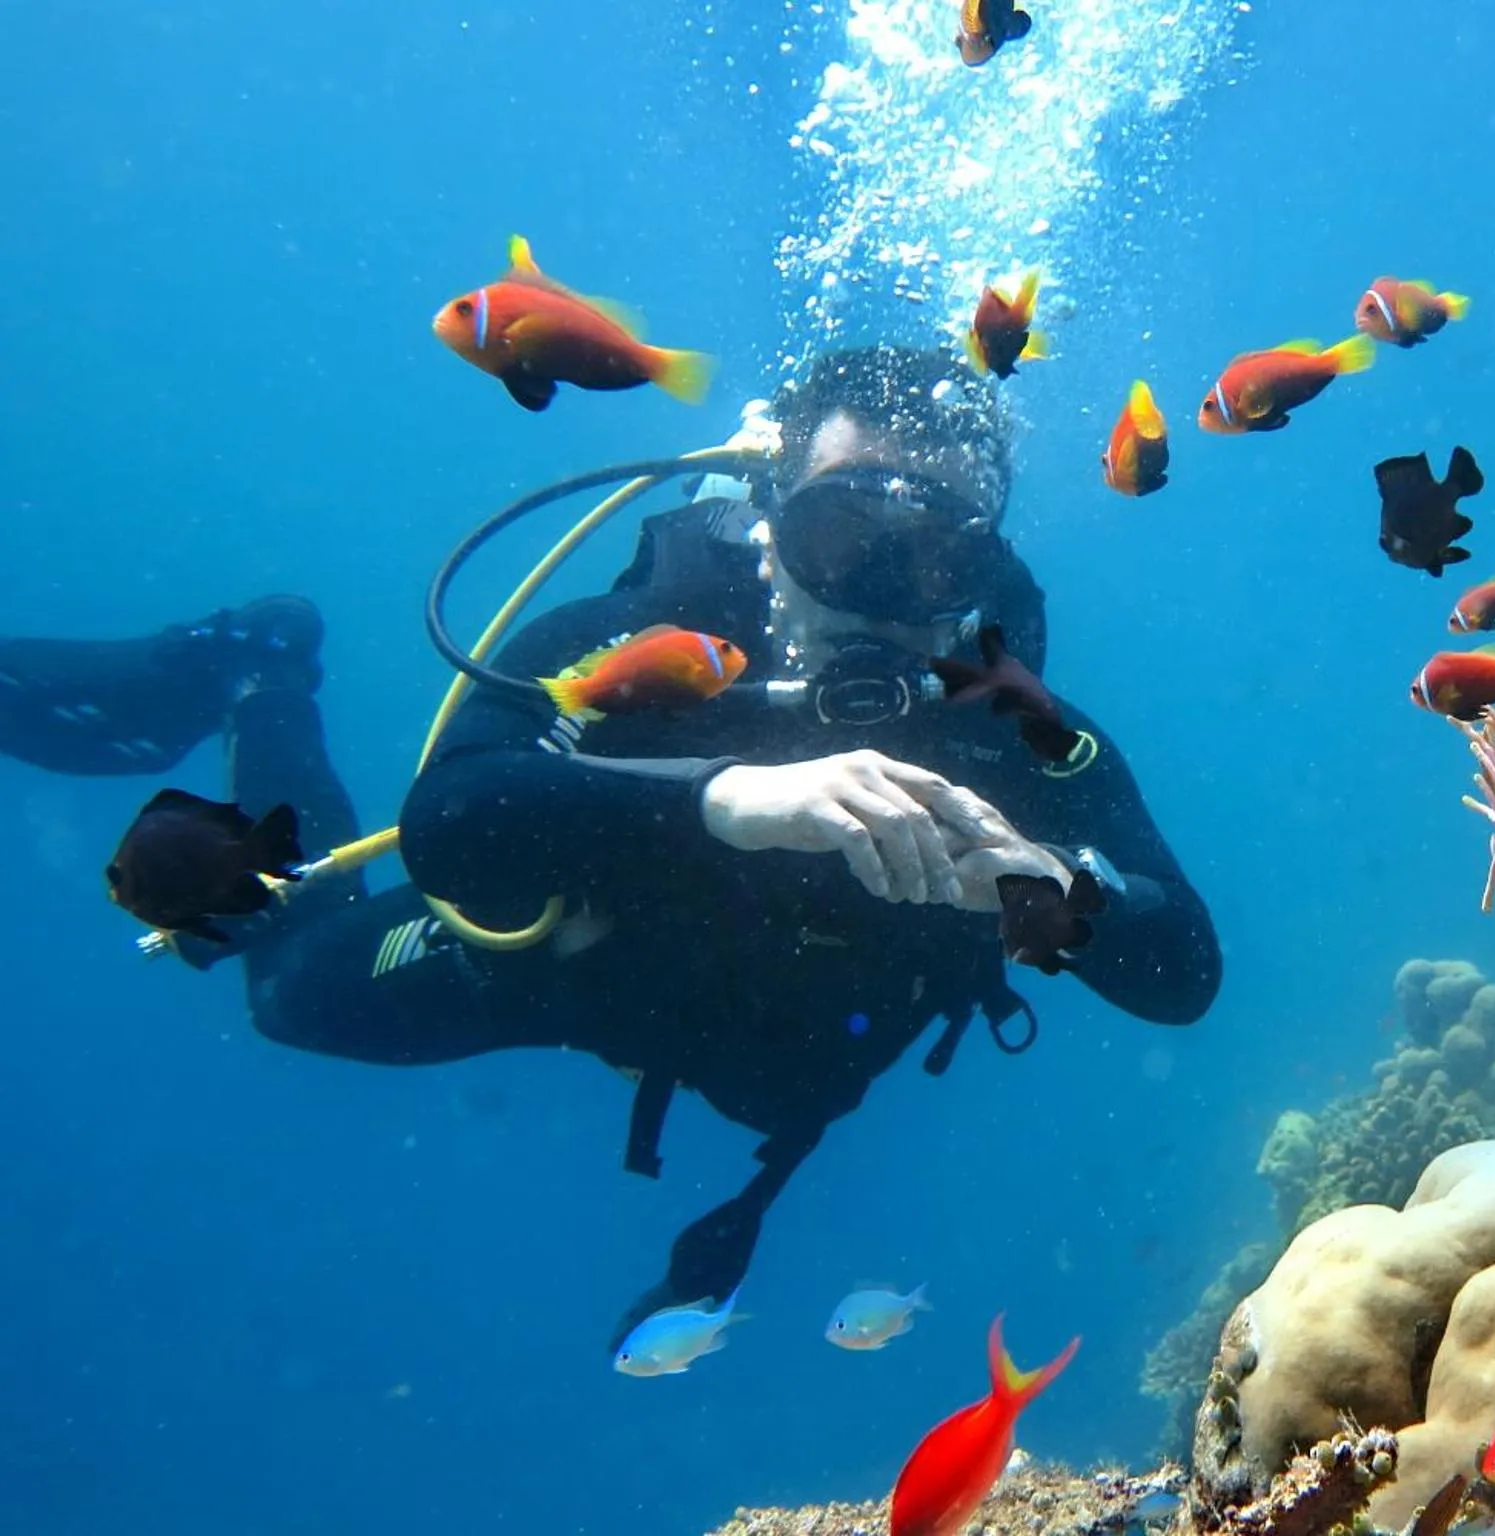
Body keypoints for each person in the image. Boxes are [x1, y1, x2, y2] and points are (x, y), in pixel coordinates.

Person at [0, 343, 1222, 1348]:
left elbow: (1185, 977)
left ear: (983, 564)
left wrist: (1069, 891)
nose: (880, 587)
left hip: (778, 1057)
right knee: (281, 989)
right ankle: (264, 673)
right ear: (766, 513)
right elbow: (451, 821)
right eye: (843, 536)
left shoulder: (1016, 734)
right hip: (551, 973)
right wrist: (725, 799)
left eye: (935, 550)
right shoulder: (647, 645)